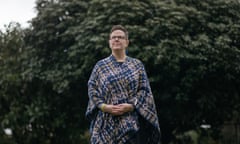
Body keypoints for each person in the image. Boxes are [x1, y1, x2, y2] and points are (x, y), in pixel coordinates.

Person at [86, 25, 161, 144]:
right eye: (113, 37)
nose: (116, 39)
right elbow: (92, 89)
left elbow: (144, 91)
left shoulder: (137, 65)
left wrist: (131, 106)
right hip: (105, 123)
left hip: (131, 123)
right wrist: (105, 107)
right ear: (109, 42)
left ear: (127, 42)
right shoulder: (100, 66)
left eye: (120, 37)